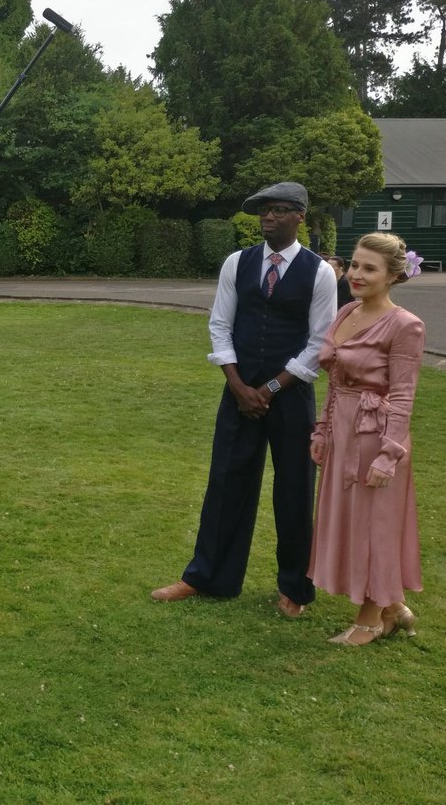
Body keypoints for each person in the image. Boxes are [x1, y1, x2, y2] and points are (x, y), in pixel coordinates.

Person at [151, 181, 337, 617]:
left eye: (276, 211)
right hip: (238, 393)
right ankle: (207, 577)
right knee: (226, 482)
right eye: (262, 212)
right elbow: (220, 325)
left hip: (290, 397)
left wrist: (270, 388)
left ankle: (295, 588)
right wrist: (238, 385)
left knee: (293, 491)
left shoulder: (320, 273)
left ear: (299, 217)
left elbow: (320, 342)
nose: (266, 218)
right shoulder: (238, 262)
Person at [309, 233, 425, 645]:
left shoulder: (405, 325)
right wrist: (322, 431)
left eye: (369, 268)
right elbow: (337, 383)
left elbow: (404, 394)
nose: (356, 274)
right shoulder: (345, 314)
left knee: (375, 525)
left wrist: (389, 454)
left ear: (393, 275)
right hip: (342, 431)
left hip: (377, 437)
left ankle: (371, 620)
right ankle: (394, 609)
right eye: (355, 265)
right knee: (353, 523)